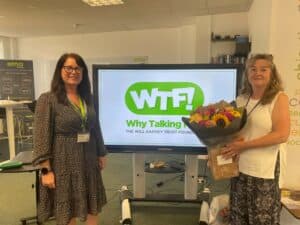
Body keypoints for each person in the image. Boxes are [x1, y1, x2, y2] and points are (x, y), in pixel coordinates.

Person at [32, 53, 107, 225]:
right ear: (60, 70)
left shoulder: (88, 98)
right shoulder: (48, 99)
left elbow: (95, 128)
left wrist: (101, 153)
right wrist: (46, 170)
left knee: (92, 204)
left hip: (88, 160)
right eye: (68, 67)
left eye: (78, 68)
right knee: (68, 209)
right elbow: (41, 137)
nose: (73, 72)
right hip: (63, 162)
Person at [221, 54, 290, 225]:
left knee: (262, 221)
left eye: (263, 69)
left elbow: (282, 134)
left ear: (272, 73)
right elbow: (236, 132)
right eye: (253, 69)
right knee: (238, 219)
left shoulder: (278, 98)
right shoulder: (241, 99)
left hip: (264, 173)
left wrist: (243, 146)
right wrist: (219, 148)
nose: (257, 73)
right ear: (247, 73)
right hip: (240, 170)